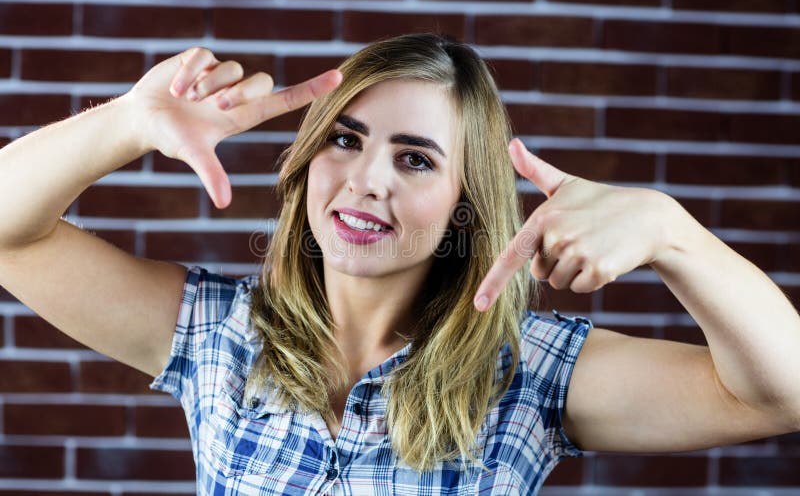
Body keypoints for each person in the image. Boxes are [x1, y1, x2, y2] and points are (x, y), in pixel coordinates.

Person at [0, 33, 798, 496]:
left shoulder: (529, 373)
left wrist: (675, 234)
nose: (366, 179)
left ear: (465, 202)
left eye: (414, 159)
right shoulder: (218, 333)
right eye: (344, 140)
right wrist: (127, 123)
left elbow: (776, 395)